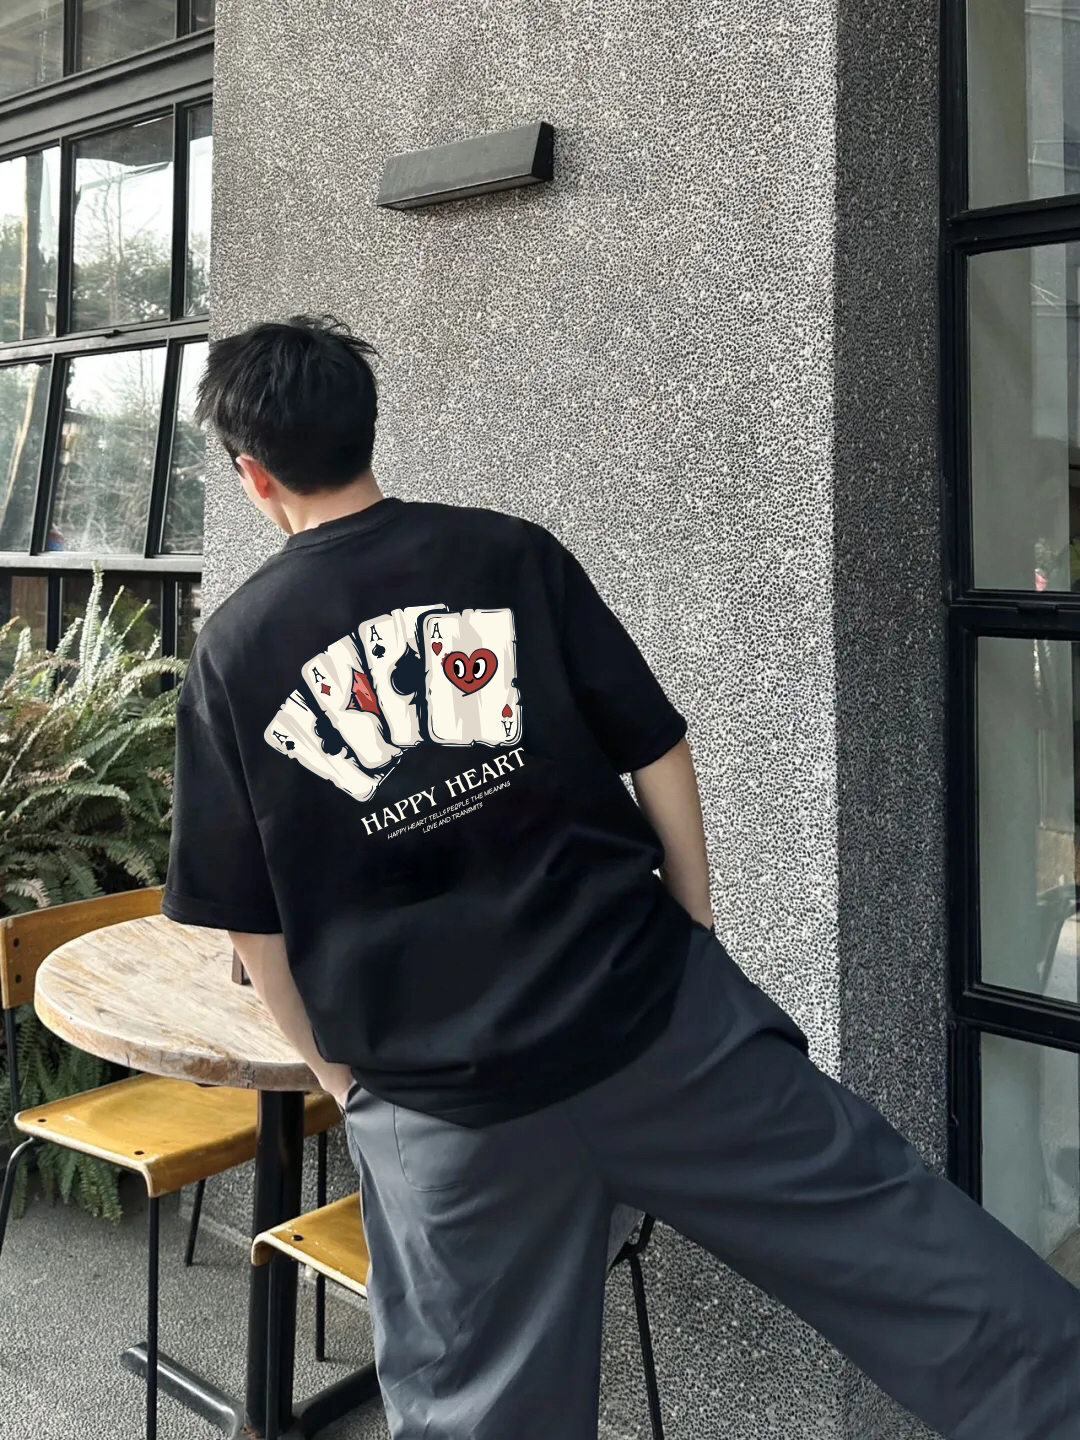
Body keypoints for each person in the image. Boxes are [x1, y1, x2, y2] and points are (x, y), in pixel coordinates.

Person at [163, 312, 1080, 1440]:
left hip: (452, 1110)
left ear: (252, 475)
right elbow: (657, 745)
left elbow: (248, 927)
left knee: (481, 1413)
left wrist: (345, 1084)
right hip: (657, 1020)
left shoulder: (236, 651)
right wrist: (691, 931)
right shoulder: (510, 556)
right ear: (366, 426)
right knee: (916, 1260)